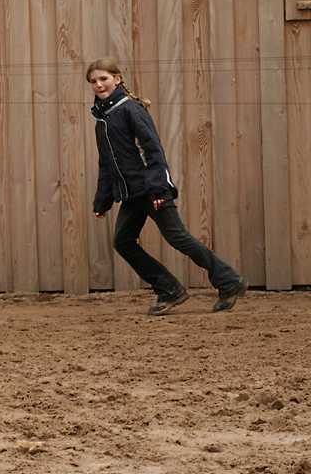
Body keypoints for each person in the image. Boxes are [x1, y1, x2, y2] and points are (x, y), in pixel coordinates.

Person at [86, 58, 246, 315]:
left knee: (178, 238)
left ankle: (229, 281)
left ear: (117, 79)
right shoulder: (102, 120)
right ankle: (169, 289)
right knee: (123, 241)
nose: (99, 84)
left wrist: (160, 189)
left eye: (103, 78)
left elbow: (153, 150)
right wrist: (102, 201)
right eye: (93, 81)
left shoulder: (131, 110)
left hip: (150, 190)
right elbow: (106, 164)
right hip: (132, 195)